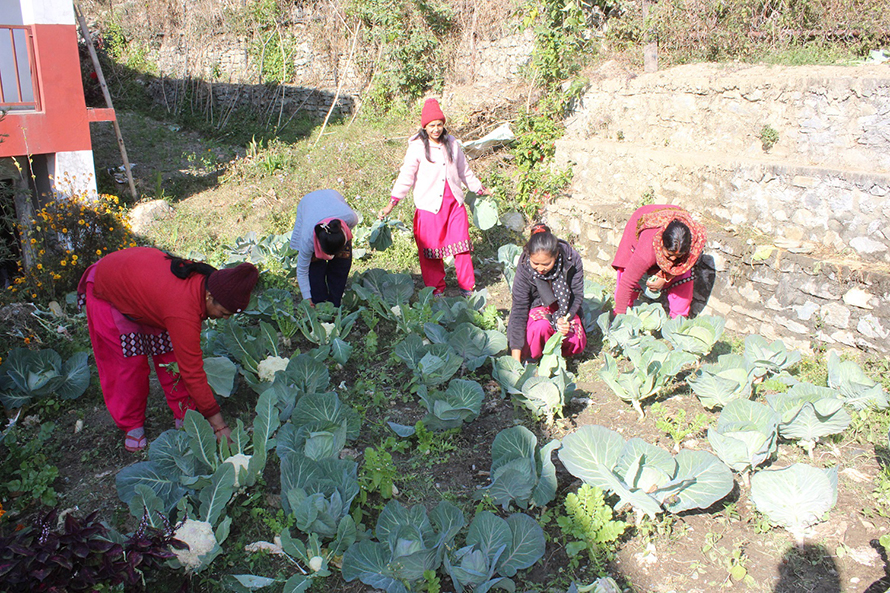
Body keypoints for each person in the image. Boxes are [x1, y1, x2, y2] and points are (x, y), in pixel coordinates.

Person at [78, 247, 259, 452]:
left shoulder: (204, 284)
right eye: (224, 312)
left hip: (143, 288)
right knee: (129, 364)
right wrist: (219, 425)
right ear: (209, 296)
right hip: (108, 288)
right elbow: (192, 371)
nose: (225, 318)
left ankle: (185, 413)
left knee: (171, 355)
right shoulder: (182, 309)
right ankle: (131, 423)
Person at [378, 97, 489, 297]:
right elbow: (406, 176)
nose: (436, 129)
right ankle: (436, 291)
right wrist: (392, 203)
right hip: (429, 207)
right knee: (430, 253)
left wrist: (480, 189)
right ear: (425, 127)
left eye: (439, 125)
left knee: (462, 247)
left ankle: (467, 288)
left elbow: (465, 171)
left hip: (454, 204)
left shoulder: (453, 144)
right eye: (431, 126)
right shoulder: (417, 147)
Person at [612, 204, 707, 318]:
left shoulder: (695, 243)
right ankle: (626, 307)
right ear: (661, 243)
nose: (673, 260)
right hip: (641, 223)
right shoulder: (646, 251)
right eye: (669, 255)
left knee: (684, 275)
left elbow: (683, 263)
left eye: (679, 256)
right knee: (632, 272)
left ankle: (678, 318)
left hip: (676, 222)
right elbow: (627, 283)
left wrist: (666, 277)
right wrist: (619, 317)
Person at [508, 224, 587, 362]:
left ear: (556, 255)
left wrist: (566, 318)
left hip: (565, 308)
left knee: (572, 335)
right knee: (540, 327)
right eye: (535, 263)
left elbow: (577, 295)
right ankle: (534, 355)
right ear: (529, 256)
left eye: (546, 264)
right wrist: (515, 360)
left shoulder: (571, 260)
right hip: (538, 307)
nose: (540, 268)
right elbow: (519, 309)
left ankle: (561, 356)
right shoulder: (524, 267)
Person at [290, 189, 358, 307]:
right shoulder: (308, 238)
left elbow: (344, 236)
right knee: (314, 268)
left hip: (332, 198)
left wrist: (339, 242)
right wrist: (307, 298)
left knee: (342, 263)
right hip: (309, 203)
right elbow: (302, 270)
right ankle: (319, 302)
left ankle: (335, 303)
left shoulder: (350, 218)